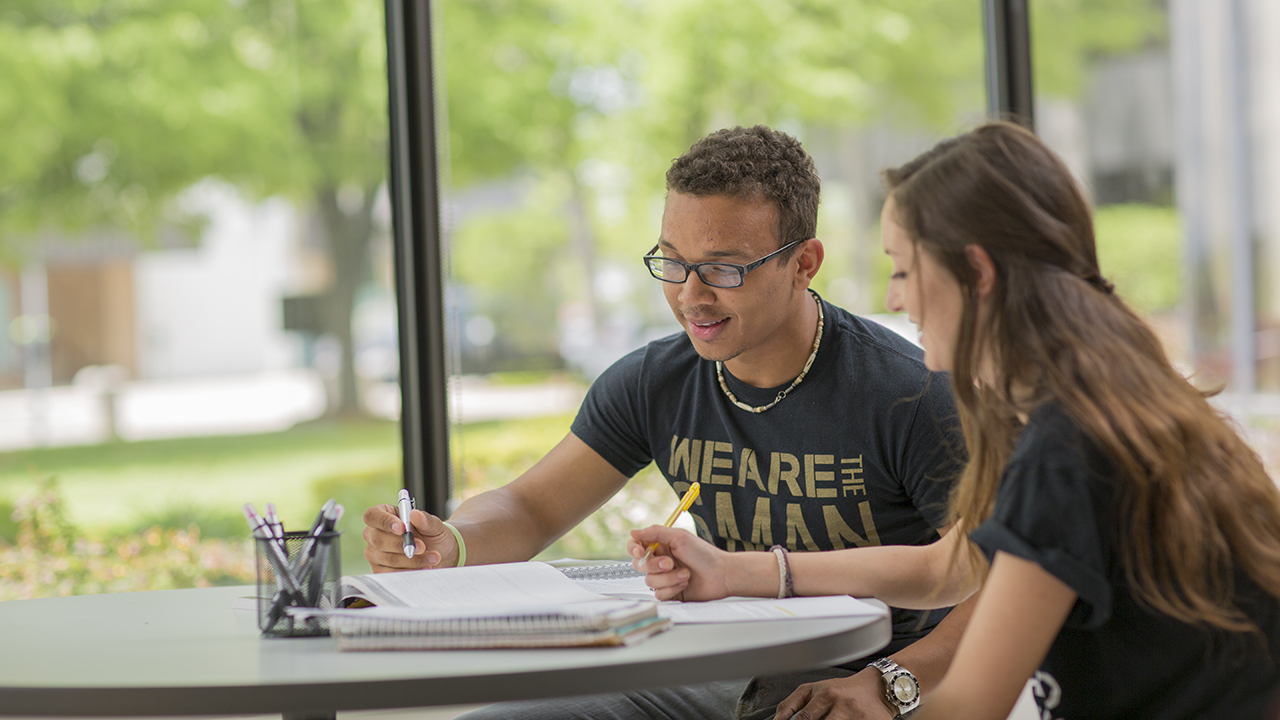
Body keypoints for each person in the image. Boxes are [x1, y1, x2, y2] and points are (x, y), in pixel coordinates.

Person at [630, 121, 1280, 719]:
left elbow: (970, 707)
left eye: (905, 270)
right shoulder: (1110, 401)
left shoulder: (1067, 449)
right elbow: (955, 563)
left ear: (976, 272)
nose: (894, 298)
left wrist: (878, 693)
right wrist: (733, 570)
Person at [363, 125, 970, 719]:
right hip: (722, 668)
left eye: (724, 269)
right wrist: (453, 543)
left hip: (872, 677)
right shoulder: (655, 380)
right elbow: (530, 509)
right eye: (673, 263)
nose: (690, 295)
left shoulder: (910, 395)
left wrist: (892, 684)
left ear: (804, 263)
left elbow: (999, 579)